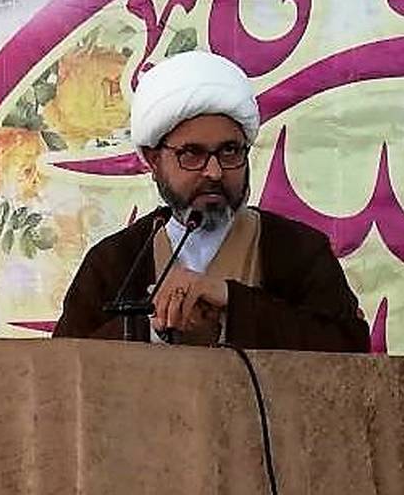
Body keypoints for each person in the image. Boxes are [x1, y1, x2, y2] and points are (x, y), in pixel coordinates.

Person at [53, 50, 369, 352]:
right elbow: (62, 366)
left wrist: (230, 301)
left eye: (229, 151)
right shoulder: (114, 261)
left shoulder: (297, 250)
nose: (215, 172)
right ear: (154, 160)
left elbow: (350, 350)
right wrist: (151, 327)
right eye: (192, 153)